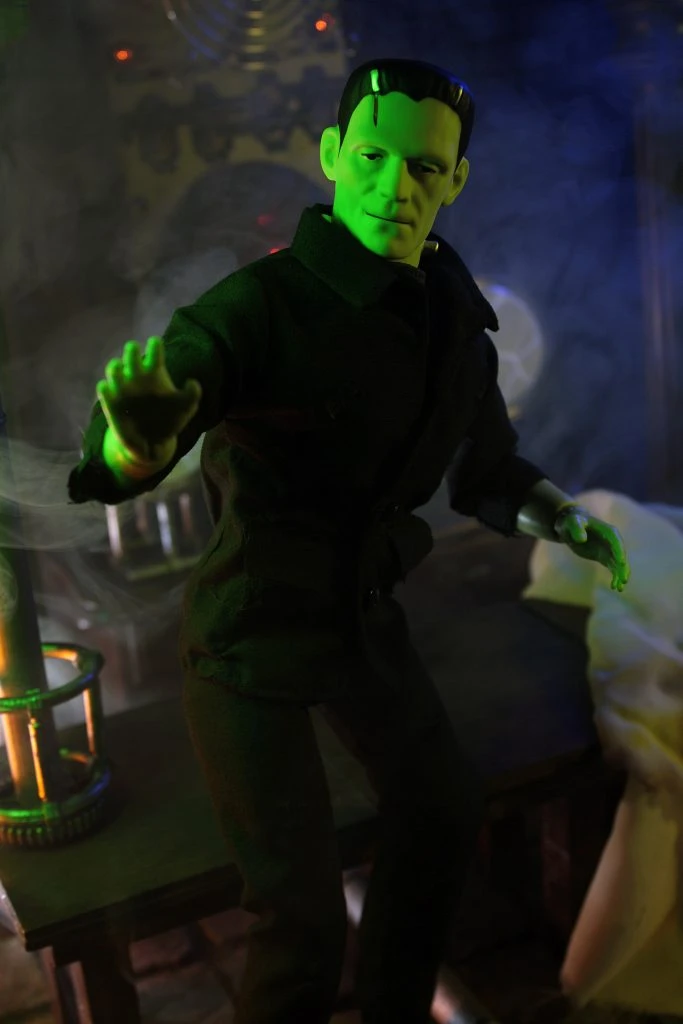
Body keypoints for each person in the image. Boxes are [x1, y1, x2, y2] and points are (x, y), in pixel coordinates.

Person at [68, 58, 630, 1024]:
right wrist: (137, 443)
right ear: (332, 154)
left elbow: (486, 465)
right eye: (372, 157)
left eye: (423, 168)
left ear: (454, 181)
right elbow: (157, 411)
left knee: (440, 813)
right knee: (300, 924)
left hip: (359, 623)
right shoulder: (259, 305)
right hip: (247, 643)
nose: (393, 187)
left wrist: (555, 513)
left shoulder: (452, 318)